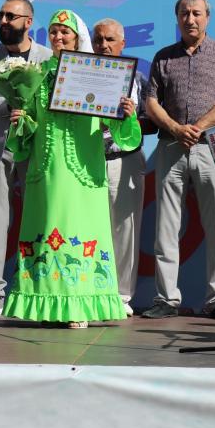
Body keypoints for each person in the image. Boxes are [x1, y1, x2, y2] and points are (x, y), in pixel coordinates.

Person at [3, 9, 141, 328]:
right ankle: (47, 306)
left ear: (77, 38)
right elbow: (29, 126)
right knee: (48, 225)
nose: (58, 37)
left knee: (80, 229)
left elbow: (115, 128)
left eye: (65, 32)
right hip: (47, 167)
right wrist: (21, 120)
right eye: (53, 31)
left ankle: (78, 306)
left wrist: (125, 114)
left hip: (83, 167)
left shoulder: (96, 72)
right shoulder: (36, 73)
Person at [142, 0, 215, 321]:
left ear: (207, 18)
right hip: (171, 144)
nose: (190, 19)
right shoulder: (163, 57)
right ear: (177, 18)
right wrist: (175, 127)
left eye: (197, 13)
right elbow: (151, 101)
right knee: (166, 226)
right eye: (184, 13)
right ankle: (166, 298)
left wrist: (198, 127)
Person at [0, 0, 51, 317]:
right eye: (0, 15)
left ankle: (31, 286)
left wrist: (29, 109)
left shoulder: (47, 58)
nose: (3, 21)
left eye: (10, 16)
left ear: (28, 22)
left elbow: (55, 104)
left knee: (37, 218)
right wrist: (9, 106)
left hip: (36, 149)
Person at [91, 18, 148, 318]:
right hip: (87, 162)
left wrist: (131, 118)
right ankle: (91, 292)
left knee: (125, 230)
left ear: (123, 43)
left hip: (124, 161)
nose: (104, 45)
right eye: (98, 39)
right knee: (89, 229)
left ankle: (122, 295)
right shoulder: (81, 75)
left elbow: (150, 123)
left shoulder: (138, 78)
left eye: (110, 39)